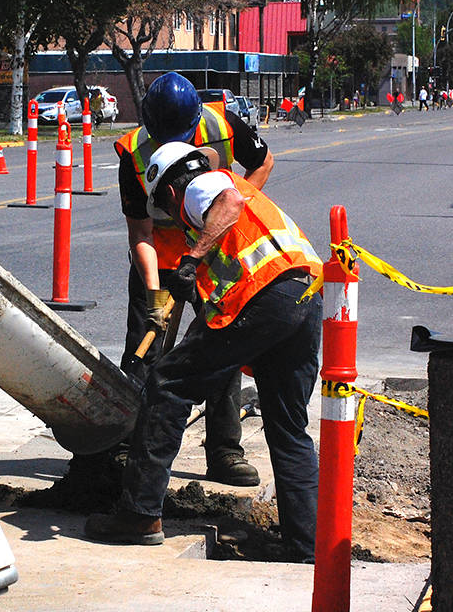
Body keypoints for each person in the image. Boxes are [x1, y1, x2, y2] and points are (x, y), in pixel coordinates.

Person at [85, 141, 324, 562]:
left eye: (164, 206)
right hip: (303, 299)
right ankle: (307, 545)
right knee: (288, 427)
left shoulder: (203, 186)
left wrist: (191, 259)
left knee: (167, 384)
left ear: (171, 193)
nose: (170, 217)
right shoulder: (245, 205)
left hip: (266, 299)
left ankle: (140, 514)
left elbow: (226, 202)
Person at [112, 72, 273, 486]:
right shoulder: (133, 152)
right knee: (144, 348)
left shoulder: (222, 125)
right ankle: (130, 444)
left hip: (213, 256)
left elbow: (263, 162)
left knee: (222, 346)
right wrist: (153, 296)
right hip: (161, 257)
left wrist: (228, 218)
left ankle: (224, 452)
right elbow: (141, 233)